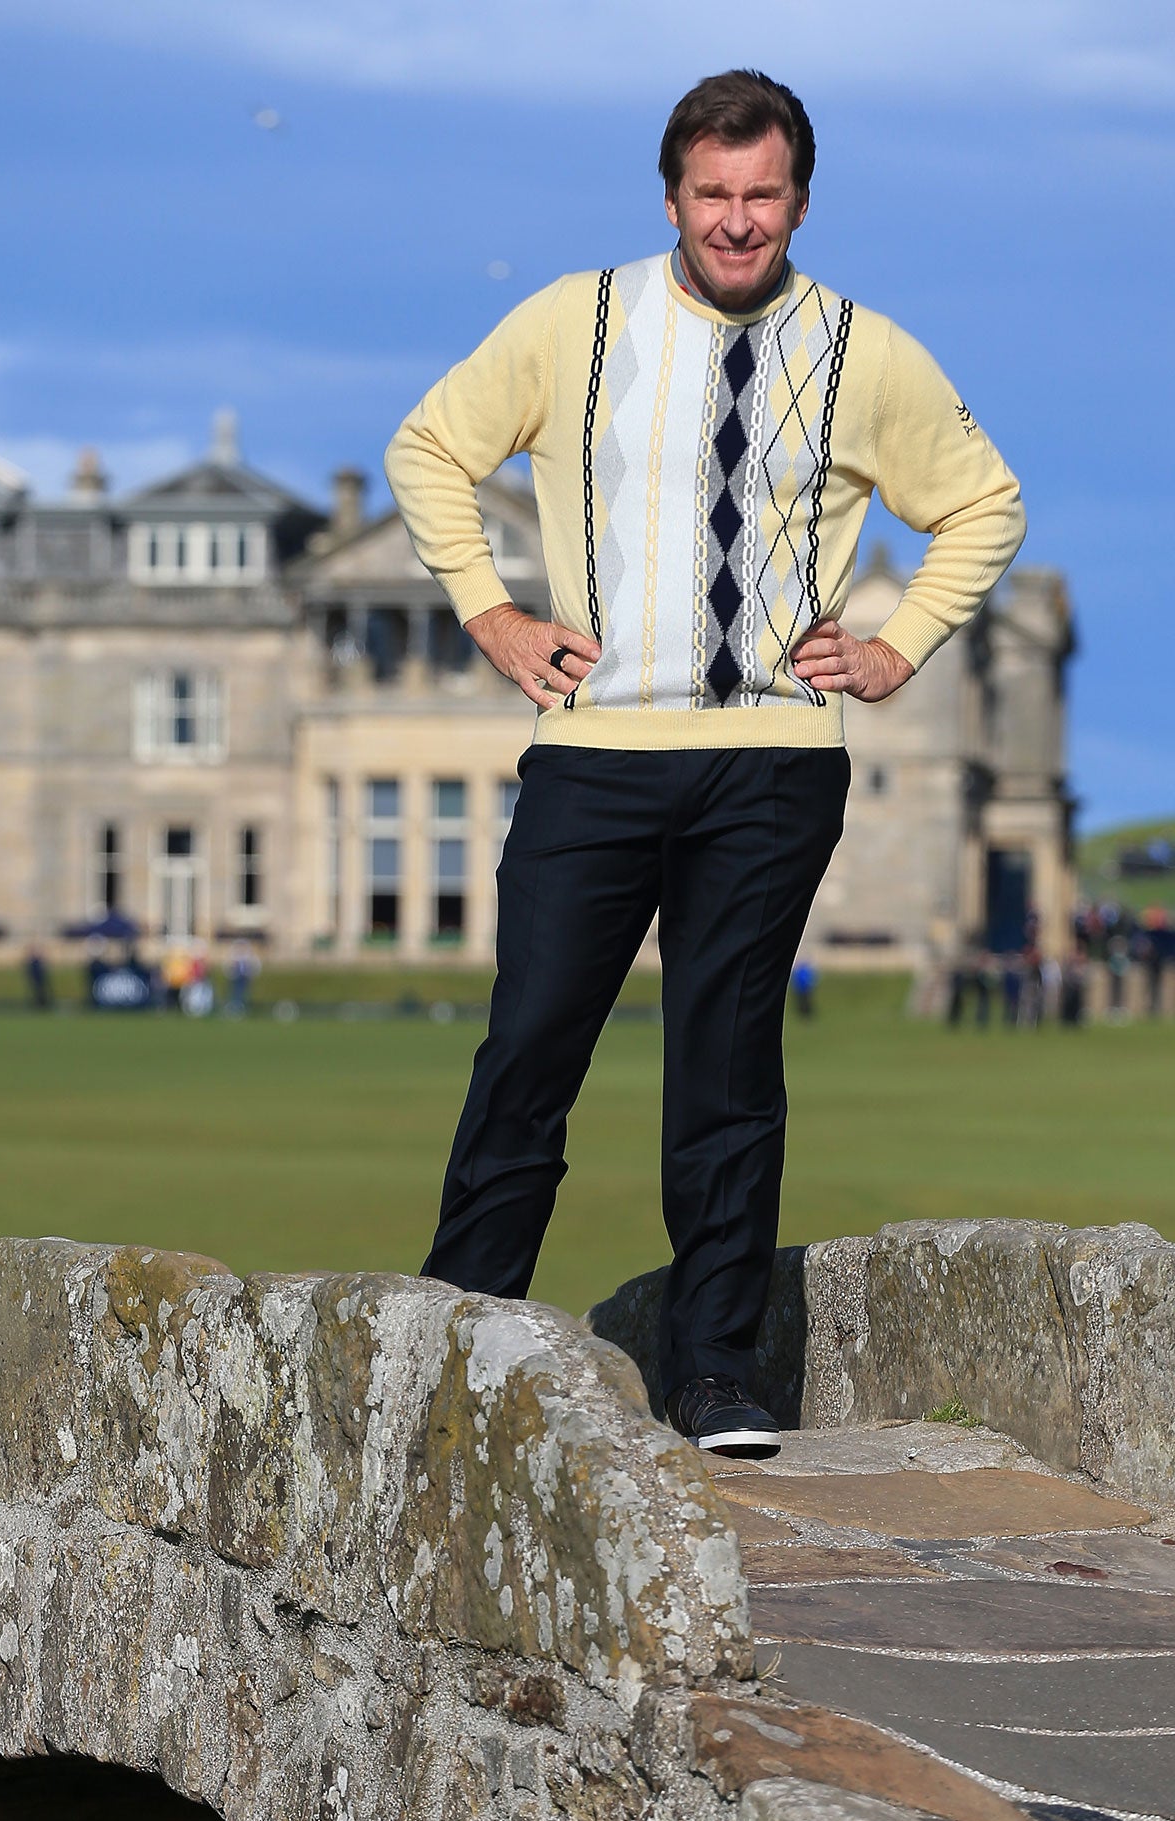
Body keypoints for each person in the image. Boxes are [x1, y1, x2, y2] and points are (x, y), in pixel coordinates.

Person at [386, 69, 1024, 1458]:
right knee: (531, 1044)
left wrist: (904, 640)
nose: (738, 222)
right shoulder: (578, 319)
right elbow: (430, 446)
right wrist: (492, 613)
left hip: (772, 761)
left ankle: (717, 1375)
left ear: (799, 199)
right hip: (597, 753)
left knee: (725, 1066)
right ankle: (451, 1342)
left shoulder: (864, 348)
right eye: (713, 194)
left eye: (764, 196)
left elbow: (984, 502)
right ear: (671, 194)